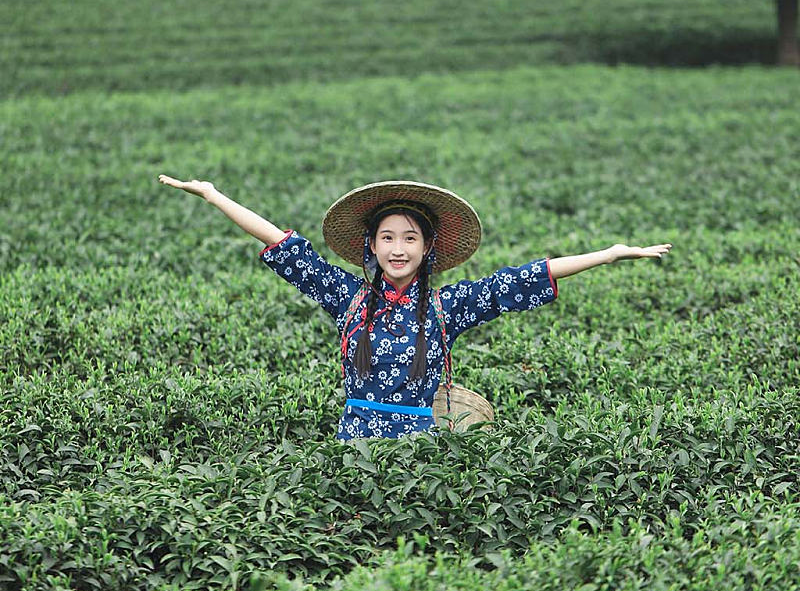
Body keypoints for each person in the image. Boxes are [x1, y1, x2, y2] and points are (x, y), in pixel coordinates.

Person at [157, 176, 672, 442]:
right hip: (351, 450)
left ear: (427, 248)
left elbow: (524, 278)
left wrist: (609, 254)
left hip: (421, 456)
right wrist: (212, 195)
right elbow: (284, 243)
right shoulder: (347, 298)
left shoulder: (449, 308)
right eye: (387, 238)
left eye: (409, 238)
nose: (398, 248)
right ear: (372, 247)